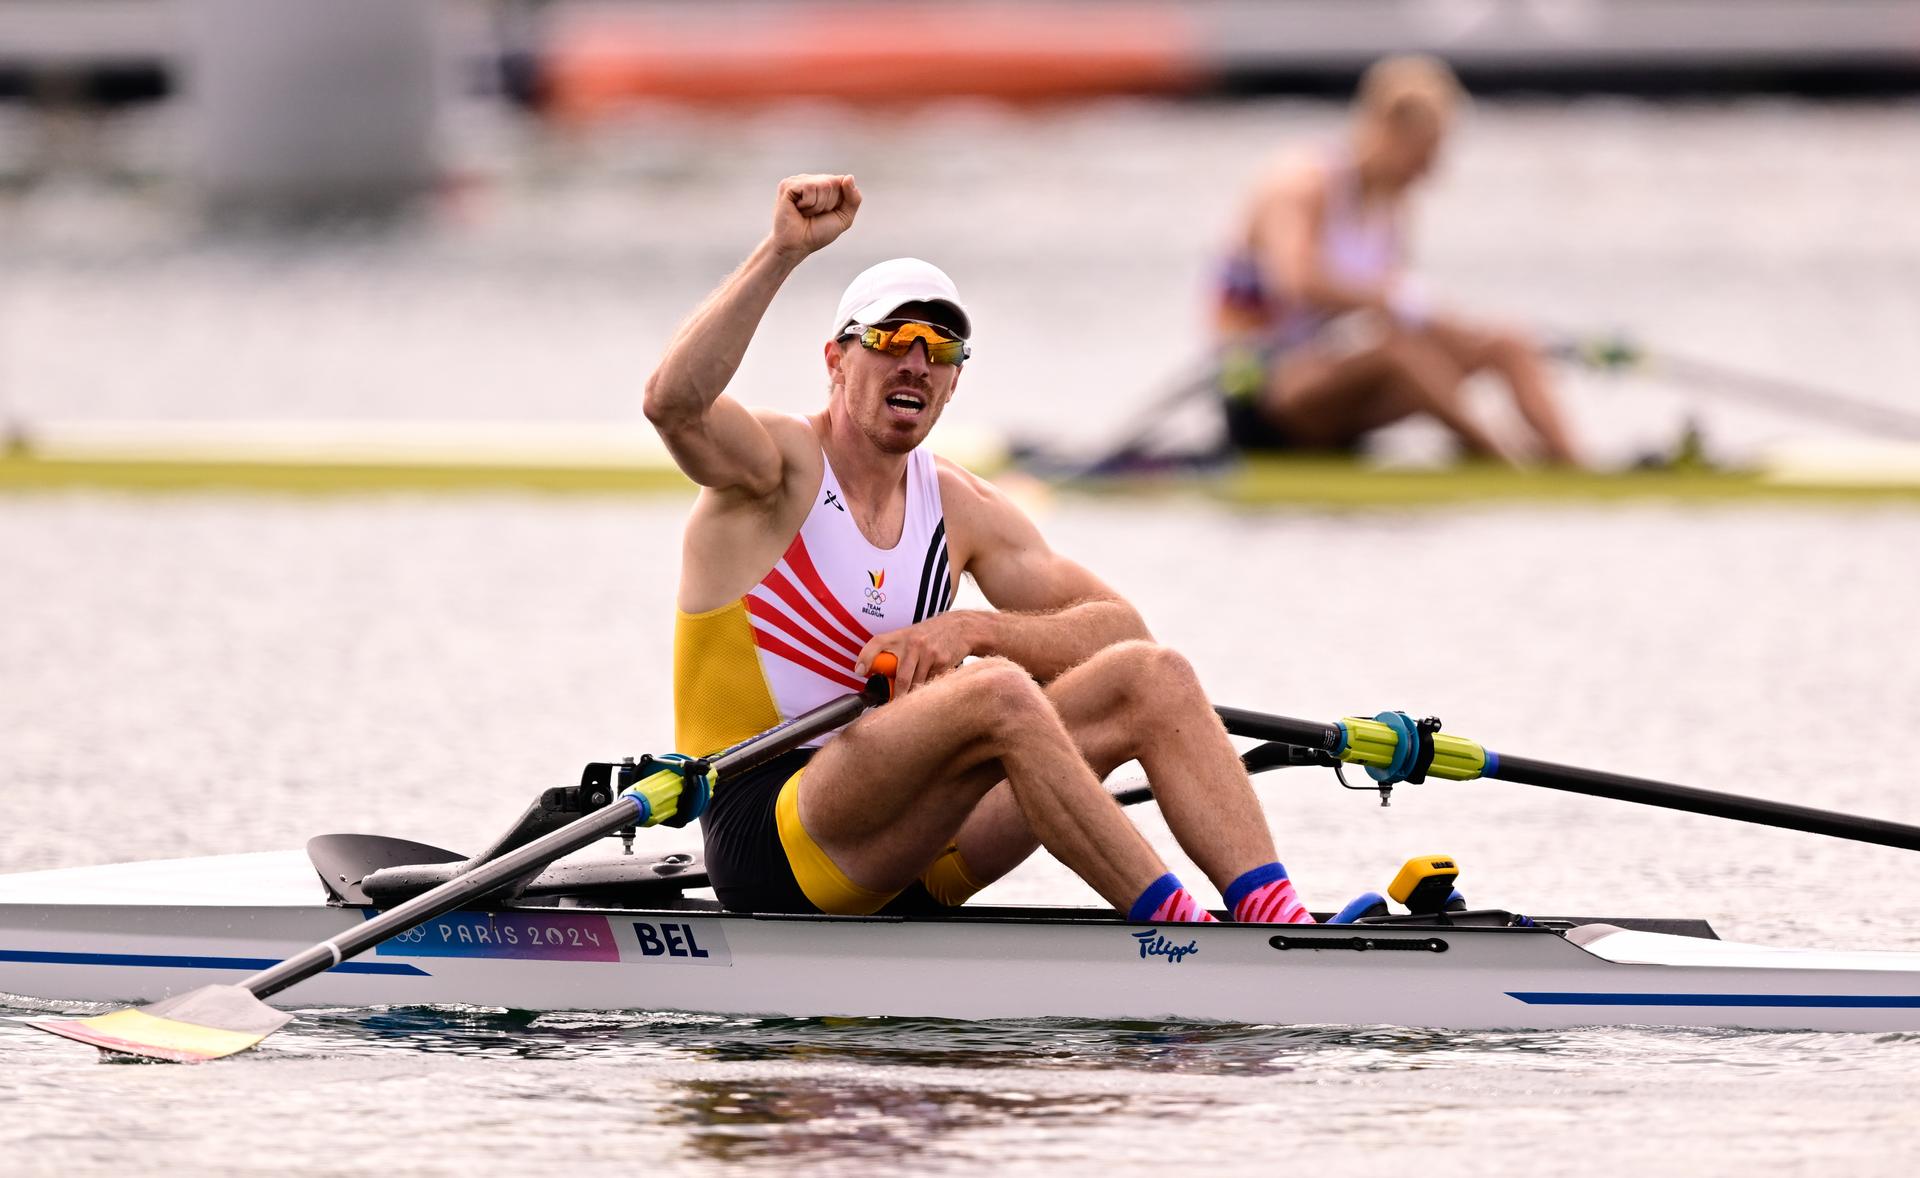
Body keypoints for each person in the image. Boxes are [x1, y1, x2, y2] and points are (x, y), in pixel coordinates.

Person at [646, 173, 1316, 926]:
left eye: (939, 349)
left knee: (1151, 677)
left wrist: (974, 629)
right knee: (996, 691)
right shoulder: (777, 468)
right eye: (893, 340)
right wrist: (781, 251)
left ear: (955, 381)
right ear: (836, 360)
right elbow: (673, 404)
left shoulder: (960, 506)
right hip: (772, 836)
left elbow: (1120, 629)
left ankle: (1274, 915)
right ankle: (1175, 932)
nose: (915, 363)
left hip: (919, 844)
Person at [1214, 54, 1580, 465]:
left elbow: (1396, 310)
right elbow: (1296, 280)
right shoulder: (1302, 183)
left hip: (1338, 376)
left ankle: (1575, 466)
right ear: (1386, 130)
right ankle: (1503, 459)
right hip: (1260, 390)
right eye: (1423, 154)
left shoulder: (1392, 207)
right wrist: (1392, 299)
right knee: (1399, 350)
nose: (1429, 174)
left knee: (1507, 342)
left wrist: (1448, 324)